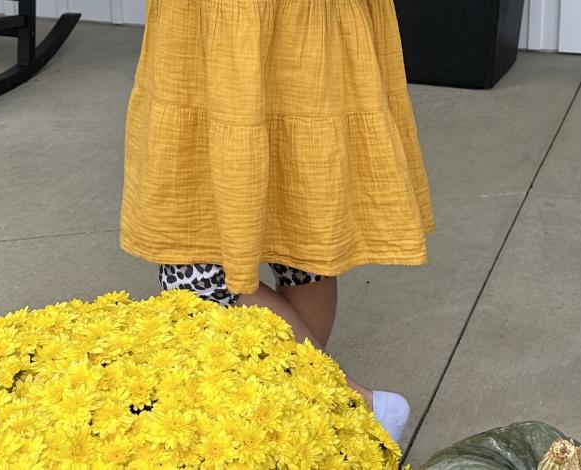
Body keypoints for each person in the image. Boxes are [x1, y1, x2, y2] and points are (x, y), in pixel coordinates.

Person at [120, 0, 434, 443]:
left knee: (193, 271)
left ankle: (356, 407)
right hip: (294, 26)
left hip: (235, 21)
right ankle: (306, 416)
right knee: (300, 222)